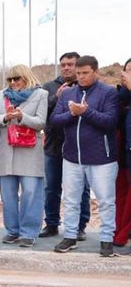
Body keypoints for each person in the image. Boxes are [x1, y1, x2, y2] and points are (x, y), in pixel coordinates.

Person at [51, 55, 120, 257]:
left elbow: (110, 122)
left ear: (95, 72)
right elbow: (55, 120)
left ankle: (106, 240)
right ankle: (70, 236)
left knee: (106, 201)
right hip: (72, 157)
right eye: (78, 73)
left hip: (102, 159)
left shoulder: (108, 92)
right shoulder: (67, 93)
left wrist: (85, 112)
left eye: (85, 73)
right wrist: (72, 114)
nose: (80, 77)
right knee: (71, 200)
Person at [0, 64, 49, 247]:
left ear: (26, 77)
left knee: (31, 192)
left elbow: (40, 122)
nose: (13, 82)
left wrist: (23, 117)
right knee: (8, 195)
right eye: (10, 79)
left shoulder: (41, 94)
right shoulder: (2, 95)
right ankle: (12, 231)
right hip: (6, 151)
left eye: (17, 78)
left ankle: (29, 232)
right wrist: (5, 118)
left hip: (30, 152)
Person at [40, 52, 91, 240]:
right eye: (63, 65)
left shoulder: (87, 87)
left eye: (70, 64)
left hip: (80, 147)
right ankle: (51, 224)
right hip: (54, 146)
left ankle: (80, 226)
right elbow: (42, 114)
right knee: (51, 187)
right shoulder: (49, 87)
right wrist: (57, 98)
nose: (67, 68)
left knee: (81, 188)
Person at [116, 59, 131, 247]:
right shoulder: (121, 96)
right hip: (124, 153)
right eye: (126, 70)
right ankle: (122, 232)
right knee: (123, 195)